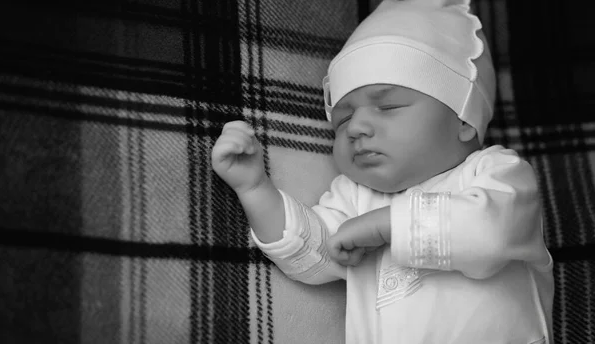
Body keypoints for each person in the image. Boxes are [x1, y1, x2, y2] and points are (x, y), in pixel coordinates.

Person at [211, 0, 554, 342]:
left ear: (464, 119)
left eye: (388, 106)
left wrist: (389, 224)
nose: (356, 127)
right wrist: (255, 188)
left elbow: (490, 232)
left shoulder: (497, 172)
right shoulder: (355, 195)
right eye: (342, 119)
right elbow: (310, 256)